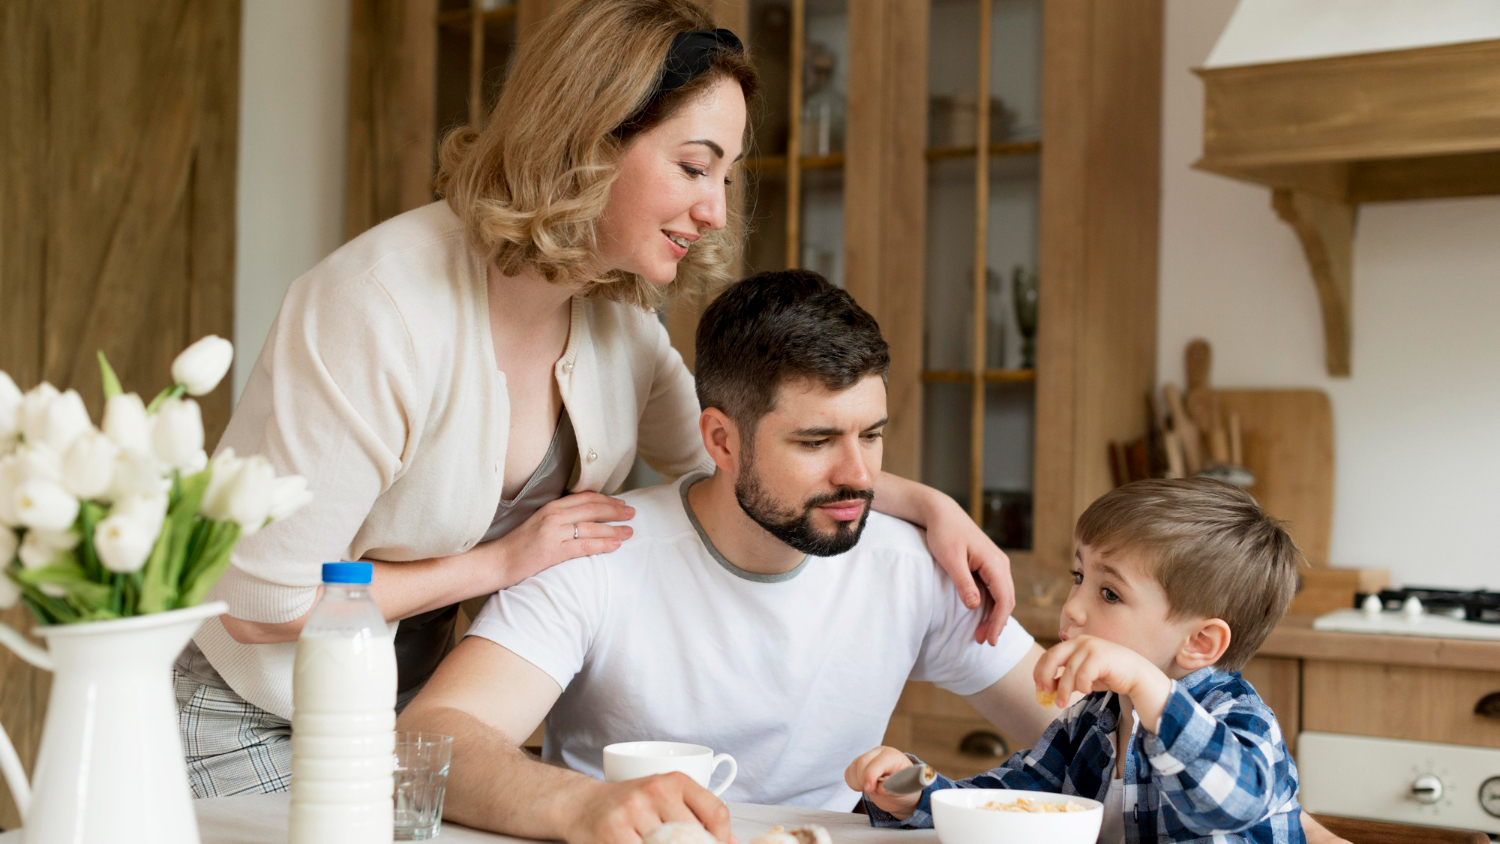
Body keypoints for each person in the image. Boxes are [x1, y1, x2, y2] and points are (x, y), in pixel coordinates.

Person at [173, 0, 1017, 799]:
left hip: (413, 703)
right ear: (588, 142)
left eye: (725, 175)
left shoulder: (620, 326)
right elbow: (260, 606)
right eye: (694, 167)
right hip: (260, 714)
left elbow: (735, 463)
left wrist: (924, 505)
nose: (716, 211)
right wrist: (495, 567)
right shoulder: (376, 306)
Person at [397, 270, 1058, 844]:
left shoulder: (911, 567)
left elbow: (1084, 735)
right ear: (720, 439)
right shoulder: (599, 554)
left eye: (873, 435)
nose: (857, 475)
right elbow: (431, 736)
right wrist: (582, 804)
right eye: (817, 440)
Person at [847, 478, 1306, 844]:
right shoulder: (1090, 720)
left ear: (1200, 643)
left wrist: (1149, 685)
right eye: (1079, 576)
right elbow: (1010, 802)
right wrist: (914, 792)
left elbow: (1232, 802)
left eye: (1109, 593)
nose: (1073, 608)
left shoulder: (1239, 720)